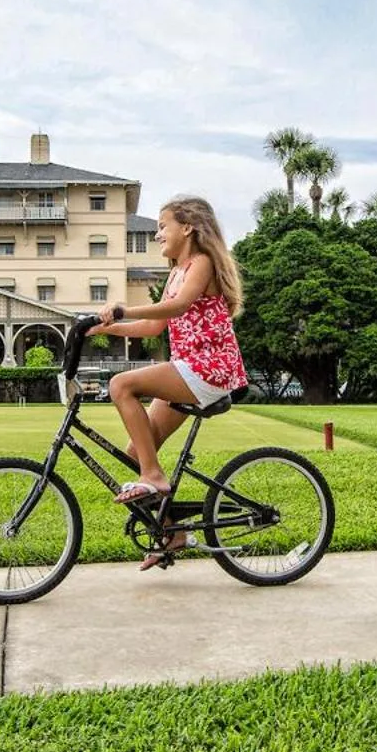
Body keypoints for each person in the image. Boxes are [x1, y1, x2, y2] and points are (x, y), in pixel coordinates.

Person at [87, 195, 248, 569]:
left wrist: (123, 308)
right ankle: (172, 531)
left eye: (163, 227)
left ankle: (154, 476)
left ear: (187, 228)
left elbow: (178, 306)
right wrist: (107, 328)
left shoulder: (201, 263)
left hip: (209, 368)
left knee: (121, 386)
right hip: (188, 368)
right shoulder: (175, 273)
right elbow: (153, 326)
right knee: (136, 453)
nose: (158, 235)